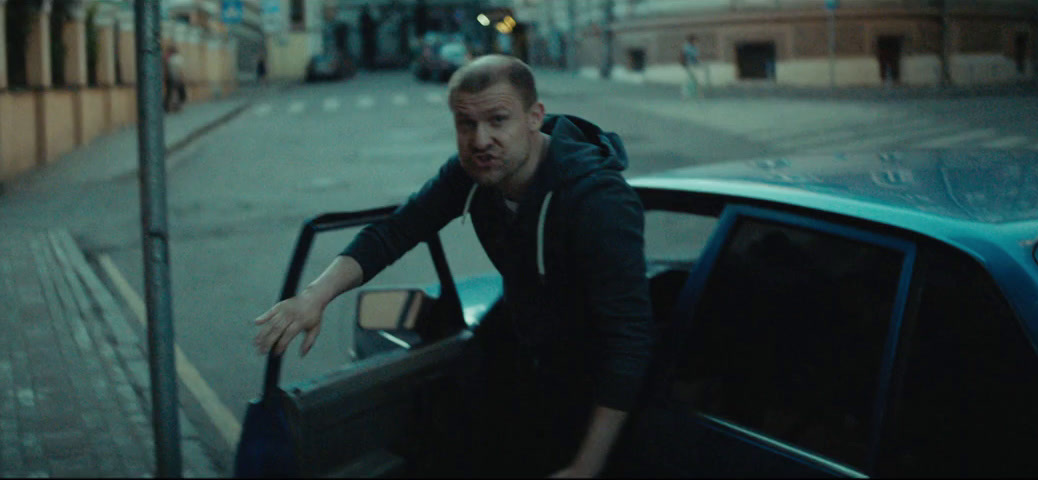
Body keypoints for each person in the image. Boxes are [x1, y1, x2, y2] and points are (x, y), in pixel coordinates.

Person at [251, 55, 655, 477]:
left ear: (535, 117)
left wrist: (586, 467)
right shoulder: (476, 171)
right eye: (466, 124)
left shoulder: (596, 199)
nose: (481, 140)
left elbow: (628, 339)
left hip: (594, 394)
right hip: (530, 359)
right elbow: (396, 231)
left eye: (498, 120)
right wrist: (315, 296)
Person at [163, 45, 187, 113]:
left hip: (170, 78)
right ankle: (176, 106)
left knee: (170, 93)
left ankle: (167, 107)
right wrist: (182, 78)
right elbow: (181, 70)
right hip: (177, 78)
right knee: (181, 93)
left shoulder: (168, 58)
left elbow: (166, 69)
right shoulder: (177, 58)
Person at [681, 34, 703, 99]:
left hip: (693, 65)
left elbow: (696, 57)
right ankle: (687, 94)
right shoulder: (688, 47)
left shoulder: (693, 47)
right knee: (692, 80)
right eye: (695, 40)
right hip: (689, 65)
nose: (696, 42)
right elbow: (694, 56)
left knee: (692, 79)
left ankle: (691, 94)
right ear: (692, 40)